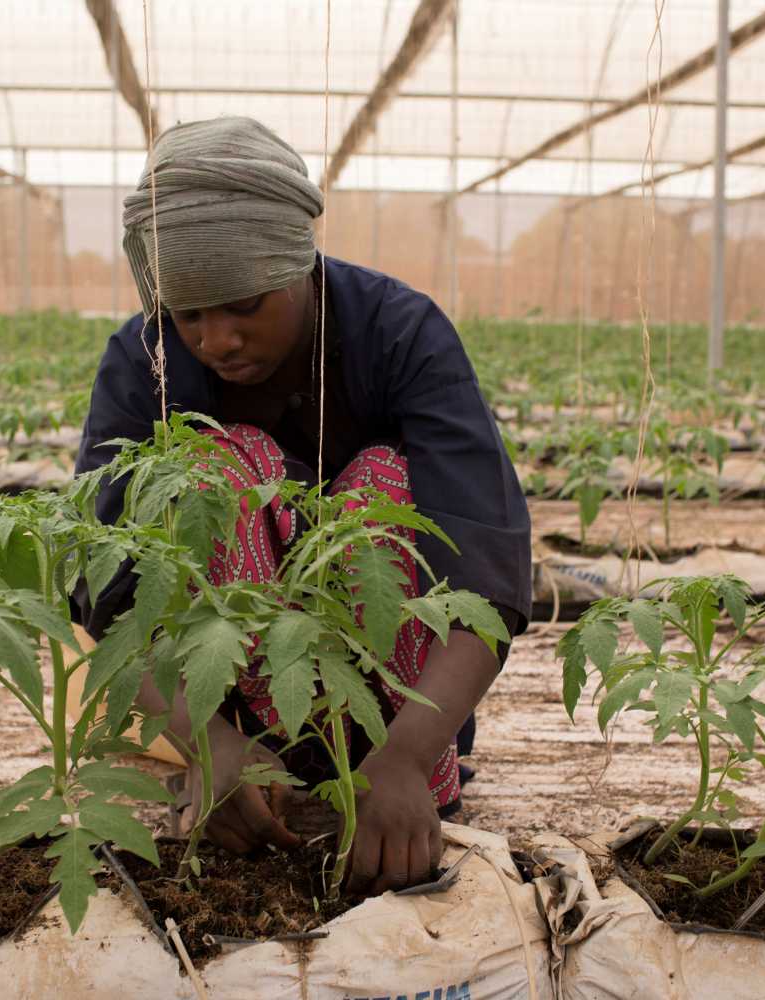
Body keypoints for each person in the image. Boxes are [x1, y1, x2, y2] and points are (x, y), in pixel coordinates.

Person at [74, 117, 531, 895]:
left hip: (398, 712)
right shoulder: (146, 359)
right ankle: (248, 770)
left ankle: (388, 773)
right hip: (224, 714)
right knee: (209, 468)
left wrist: (409, 755)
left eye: (244, 304)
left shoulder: (400, 334)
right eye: (189, 314)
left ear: (300, 265)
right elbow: (108, 588)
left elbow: (486, 575)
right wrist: (205, 743)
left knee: (386, 482)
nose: (216, 338)